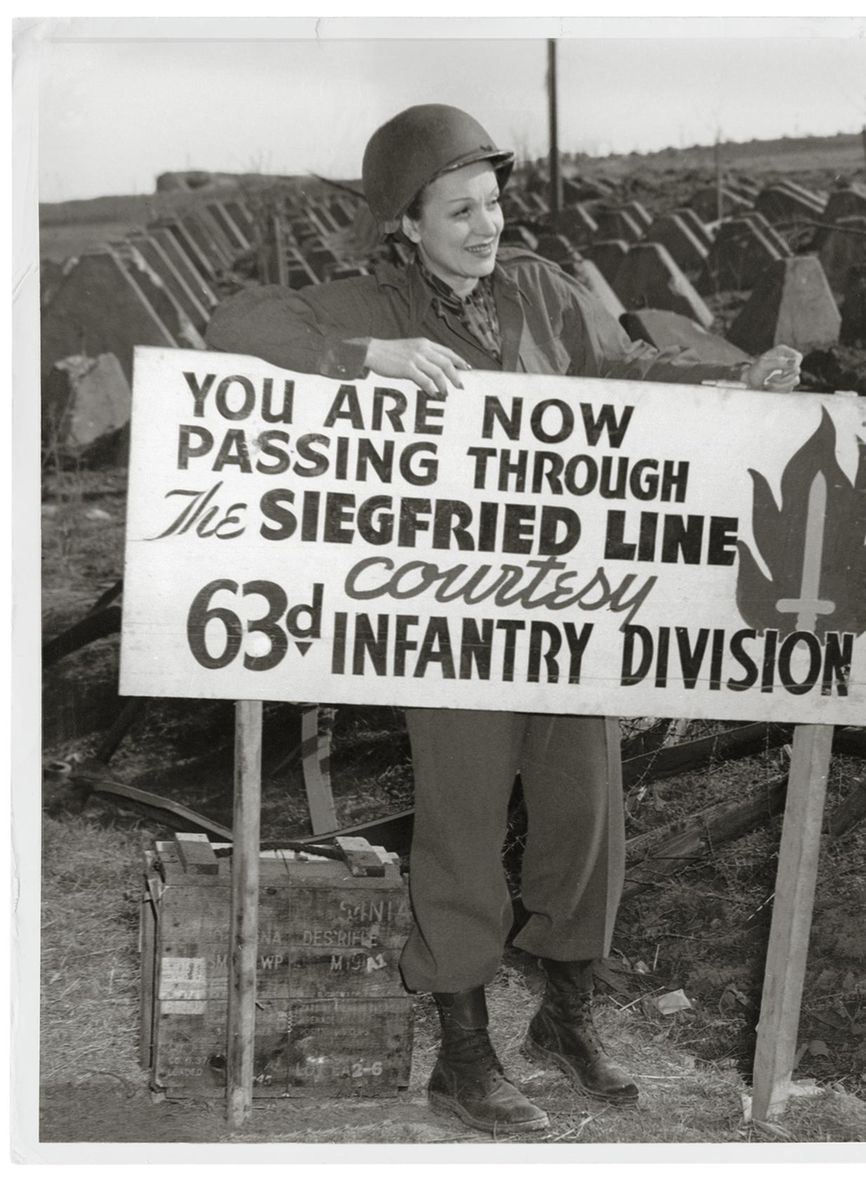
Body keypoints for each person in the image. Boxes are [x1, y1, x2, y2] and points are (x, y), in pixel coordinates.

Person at [206, 103, 802, 1135]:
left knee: (583, 817)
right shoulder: (375, 299)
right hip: (449, 618)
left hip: (568, 603)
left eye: (494, 202)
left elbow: (620, 373)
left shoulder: (536, 288)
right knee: (464, 827)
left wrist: (730, 376)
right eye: (460, 210)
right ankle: (463, 1049)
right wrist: (369, 359)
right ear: (406, 223)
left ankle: (567, 1017)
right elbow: (236, 329)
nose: (488, 225)